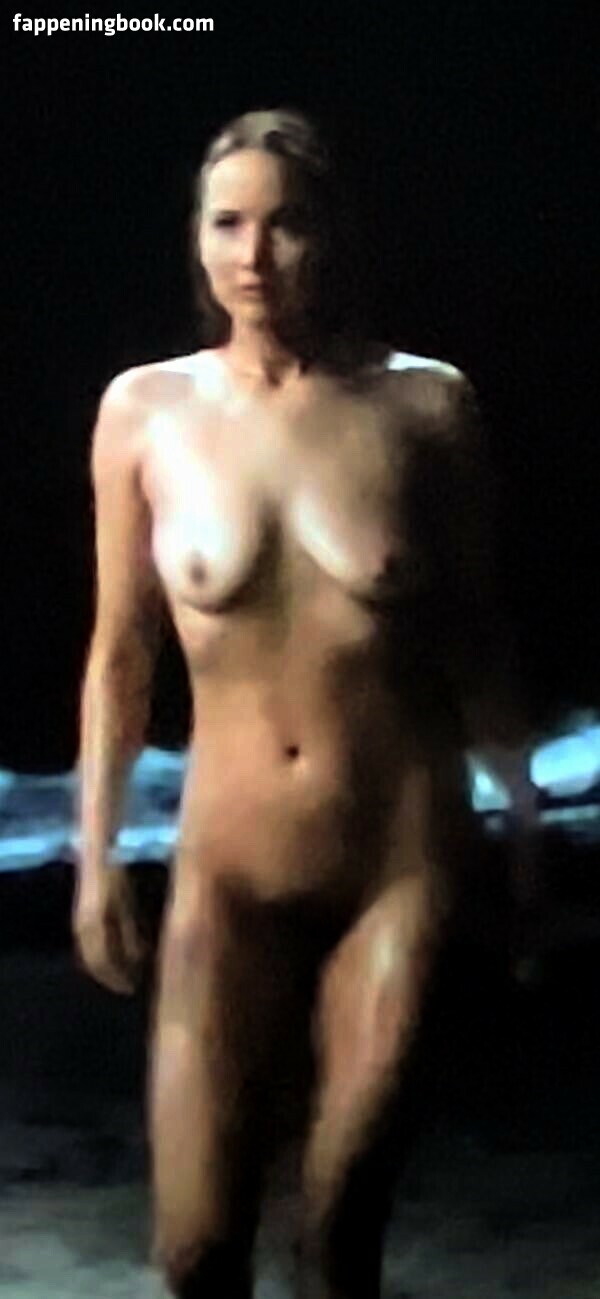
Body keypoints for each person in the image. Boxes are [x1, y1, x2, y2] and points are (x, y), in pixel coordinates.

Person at [73, 108, 528, 1299]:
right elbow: (120, 655)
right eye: (229, 224)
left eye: (288, 225)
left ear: (334, 235)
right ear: (196, 238)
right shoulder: (145, 413)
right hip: (228, 868)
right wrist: (96, 861)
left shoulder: (426, 407)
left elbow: (478, 637)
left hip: (398, 862)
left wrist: (524, 829)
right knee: (197, 1253)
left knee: (338, 1235)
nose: (256, 256)